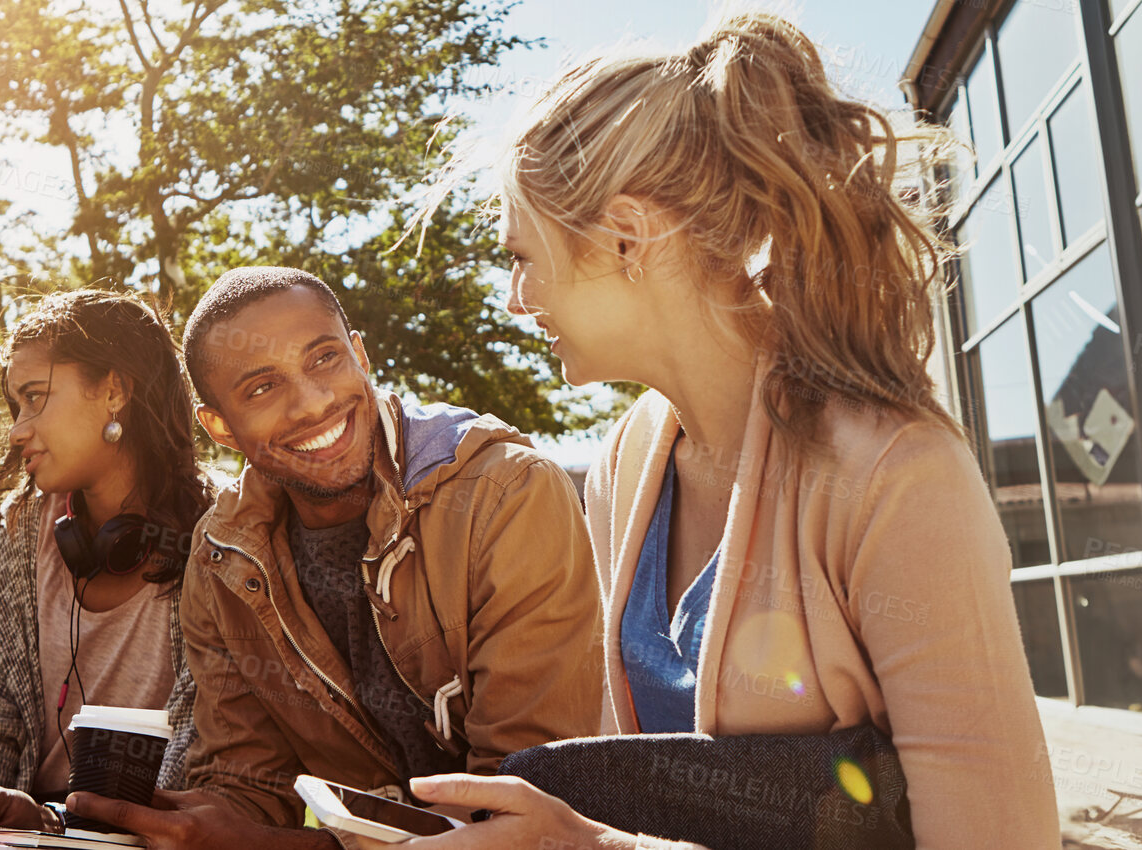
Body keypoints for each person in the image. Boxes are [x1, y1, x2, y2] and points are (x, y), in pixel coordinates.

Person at [397, 13, 1060, 848]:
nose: (516, 300)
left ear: (626, 238)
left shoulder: (897, 472)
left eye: (522, 257)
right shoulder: (625, 463)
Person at [60, 266, 605, 849]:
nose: (313, 402)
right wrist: (75, 822)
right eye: (262, 388)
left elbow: (522, 815)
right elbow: (248, 794)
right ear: (219, 427)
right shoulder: (221, 559)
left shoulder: (508, 494)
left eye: (324, 359)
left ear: (360, 355)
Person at [0, 290, 215, 827]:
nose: (17, 430)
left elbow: (209, 754)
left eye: (35, 397)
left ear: (114, 390)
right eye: (16, 406)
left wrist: (63, 825)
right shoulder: (21, 533)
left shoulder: (222, 536)